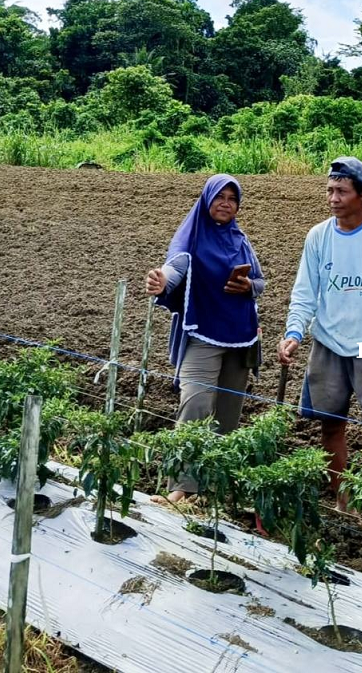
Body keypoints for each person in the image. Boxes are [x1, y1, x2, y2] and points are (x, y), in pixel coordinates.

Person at [278, 156, 362, 512]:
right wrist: (294, 333)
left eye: (341, 191)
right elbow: (305, 292)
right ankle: (343, 501)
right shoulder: (319, 236)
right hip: (328, 344)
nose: (333, 198)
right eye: (329, 190)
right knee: (331, 425)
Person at [145, 174, 265, 503]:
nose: (226, 203)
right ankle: (181, 488)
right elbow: (177, 265)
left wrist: (248, 286)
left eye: (232, 198)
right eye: (219, 197)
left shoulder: (240, 239)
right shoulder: (192, 237)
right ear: (206, 200)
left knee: (227, 416)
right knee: (195, 406)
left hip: (240, 338)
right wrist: (161, 280)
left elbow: (260, 281)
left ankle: (211, 490)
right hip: (203, 335)